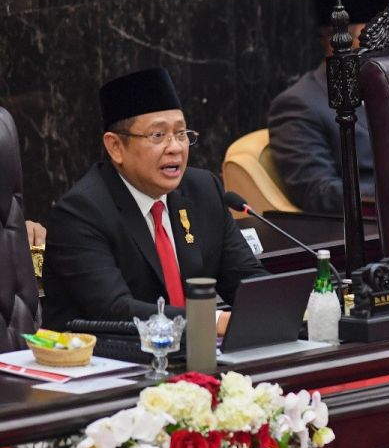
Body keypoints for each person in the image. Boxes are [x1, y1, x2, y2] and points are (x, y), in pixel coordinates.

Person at [42, 68, 267, 332]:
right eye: (158, 135)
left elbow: (245, 278)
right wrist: (211, 322)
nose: (175, 147)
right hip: (106, 363)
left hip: (192, 355)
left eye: (182, 134)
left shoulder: (203, 190)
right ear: (115, 147)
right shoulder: (81, 213)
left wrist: (285, 305)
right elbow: (115, 311)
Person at [267, 0, 389, 214]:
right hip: (369, 225)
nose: (381, 49)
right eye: (371, 39)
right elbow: (317, 191)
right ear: (334, 41)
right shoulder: (298, 104)